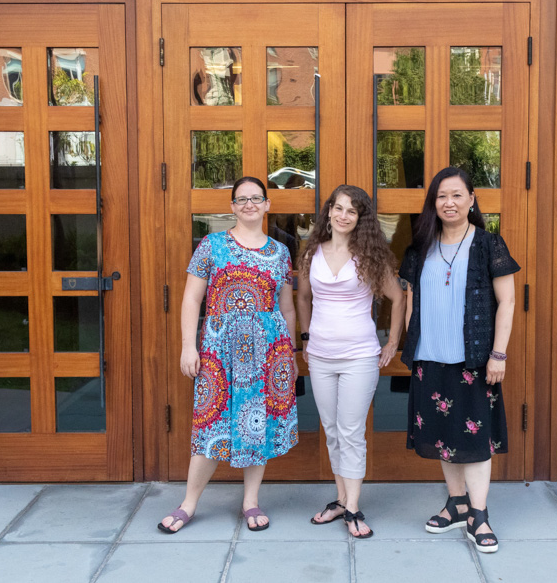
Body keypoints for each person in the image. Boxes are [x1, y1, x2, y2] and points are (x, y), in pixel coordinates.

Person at [159, 176, 298, 534]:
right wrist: (189, 345)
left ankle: (251, 501)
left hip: (268, 352)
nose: (249, 204)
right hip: (220, 352)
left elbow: (287, 308)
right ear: (232, 207)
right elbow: (191, 298)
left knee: (258, 423)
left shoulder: (280, 252)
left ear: (267, 205)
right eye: (241, 199)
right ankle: (189, 503)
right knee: (211, 423)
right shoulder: (212, 245)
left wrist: (291, 353)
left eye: (256, 198)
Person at [399, 167, 519, 554]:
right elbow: (410, 299)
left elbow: (508, 301)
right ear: (433, 203)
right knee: (442, 435)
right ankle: (456, 503)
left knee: (475, 438)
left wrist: (497, 354)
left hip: (473, 360)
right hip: (429, 357)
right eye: (441, 196)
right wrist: (409, 343)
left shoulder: (488, 244)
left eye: (456, 195)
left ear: (472, 199)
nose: (448, 203)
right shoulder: (420, 247)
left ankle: (479, 514)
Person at [295, 185, 405, 539]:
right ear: (329, 212)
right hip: (322, 356)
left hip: (359, 355)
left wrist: (392, 342)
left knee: (351, 432)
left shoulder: (370, 255)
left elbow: (398, 297)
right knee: (331, 430)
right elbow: (303, 298)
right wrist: (307, 338)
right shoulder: (312, 252)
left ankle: (354, 506)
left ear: (361, 219)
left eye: (351, 211)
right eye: (338, 208)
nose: (343, 215)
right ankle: (342, 499)